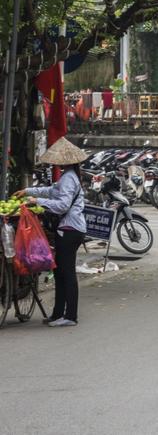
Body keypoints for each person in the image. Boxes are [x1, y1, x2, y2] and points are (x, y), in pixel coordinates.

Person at [14, 136, 87, 327]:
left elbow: (62, 205)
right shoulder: (67, 177)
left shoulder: (69, 179)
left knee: (67, 273)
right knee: (60, 272)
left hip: (69, 230)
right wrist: (28, 192)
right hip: (70, 229)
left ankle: (70, 316)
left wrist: (37, 202)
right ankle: (57, 314)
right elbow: (51, 191)